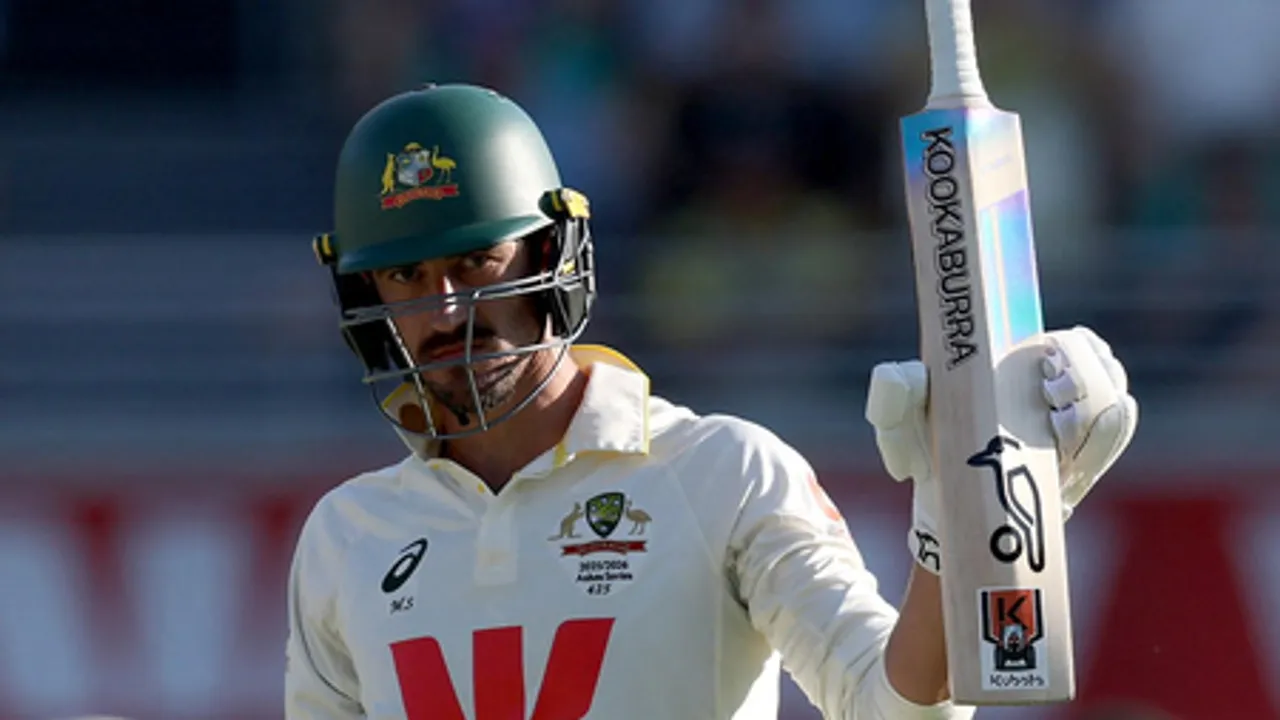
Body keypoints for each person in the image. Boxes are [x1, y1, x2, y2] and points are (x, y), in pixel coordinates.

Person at [287, 83, 1139, 719]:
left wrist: (969, 519)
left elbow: (898, 709)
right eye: (405, 276)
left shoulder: (722, 473)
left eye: (476, 263)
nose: (444, 311)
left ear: (553, 256)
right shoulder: (345, 537)